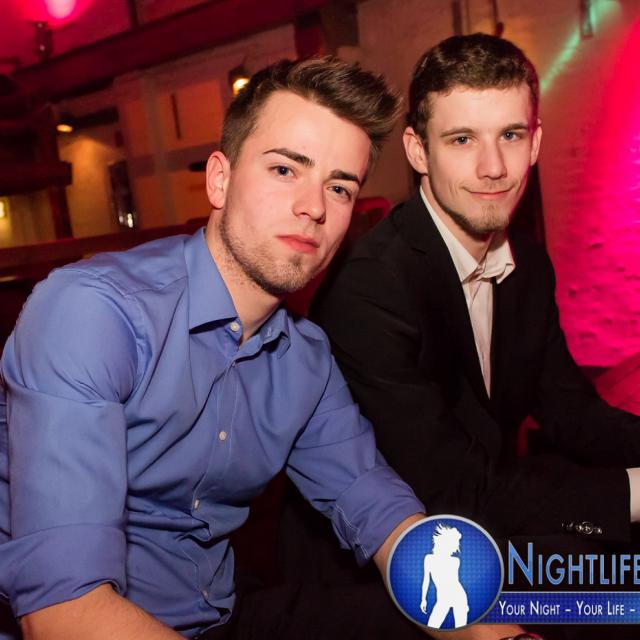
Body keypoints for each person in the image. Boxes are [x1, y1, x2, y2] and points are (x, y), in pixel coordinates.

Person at [0, 57, 435, 640]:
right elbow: (63, 612)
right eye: (285, 169)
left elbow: (373, 503)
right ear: (219, 180)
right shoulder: (94, 313)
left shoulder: (304, 356)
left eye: (339, 187)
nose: (314, 207)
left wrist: (474, 612)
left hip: (221, 615)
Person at [308, 33, 640, 638]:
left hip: (490, 526)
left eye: (510, 135)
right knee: (622, 602)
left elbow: (571, 412)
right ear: (418, 150)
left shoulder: (527, 264)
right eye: (462, 140)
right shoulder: (371, 286)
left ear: (535, 143)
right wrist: (633, 493)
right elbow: (451, 485)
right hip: (395, 578)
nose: (494, 168)